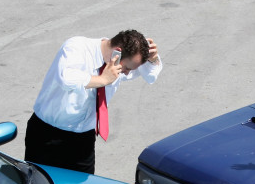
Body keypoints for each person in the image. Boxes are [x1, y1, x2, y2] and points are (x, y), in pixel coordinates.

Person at [25, 30, 162, 174]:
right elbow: (66, 78)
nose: (127, 73)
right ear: (117, 52)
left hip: (83, 140)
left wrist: (153, 60)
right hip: (47, 136)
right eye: (127, 68)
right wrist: (102, 80)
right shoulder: (77, 47)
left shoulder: (117, 65)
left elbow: (150, 76)